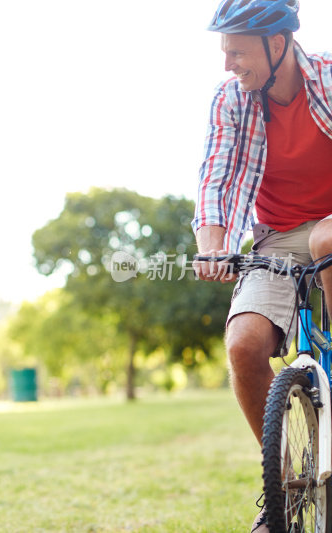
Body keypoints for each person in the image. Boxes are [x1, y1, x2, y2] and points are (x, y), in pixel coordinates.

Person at [193, 0, 332, 531]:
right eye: (225, 51)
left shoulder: (325, 78)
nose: (228, 63)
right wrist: (212, 244)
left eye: (237, 50)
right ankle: (285, 493)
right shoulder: (232, 99)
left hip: (330, 227)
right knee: (244, 345)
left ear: (278, 44)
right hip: (274, 238)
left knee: (325, 237)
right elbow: (216, 176)